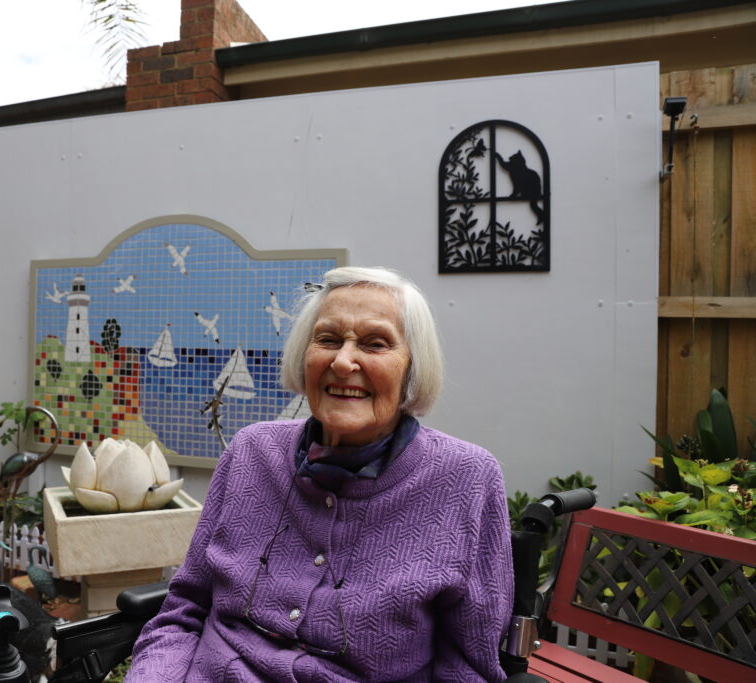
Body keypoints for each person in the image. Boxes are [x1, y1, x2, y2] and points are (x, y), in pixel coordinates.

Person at [126, 266, 513, 682]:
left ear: (413, 369)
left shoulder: (466, 479)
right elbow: (183, 612)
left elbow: (468, 667)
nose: (343, 362)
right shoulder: (251, 452)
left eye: (375, 343)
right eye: (327, 339)